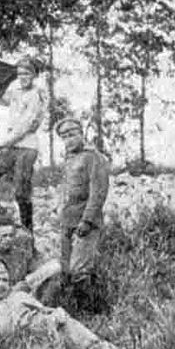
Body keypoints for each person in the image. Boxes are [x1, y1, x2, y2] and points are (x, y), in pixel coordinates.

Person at [0, 257, 132, 349]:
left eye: (5, 280)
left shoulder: (18, 296)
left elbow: (45, 310)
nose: (1, 285)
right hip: (24, 346)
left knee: (72, 329)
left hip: (49, 330)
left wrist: (56, 314)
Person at [0, 57, 46, 231]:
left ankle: (27, 230)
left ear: (34, 75)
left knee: (21, 191)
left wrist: (1, 144)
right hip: (13, 146)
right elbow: (0, 98)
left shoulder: (37, 95)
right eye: (19, 74)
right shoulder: (16, 92)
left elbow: (24, 127)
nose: (22, 77)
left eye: (26, 73)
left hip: (26, 147)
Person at [54, 117, 110, 279]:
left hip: (85, 222)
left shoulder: (93, 157)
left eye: (72, 135)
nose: (68, 140)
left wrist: (87, 220)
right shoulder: (69, 160)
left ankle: (87, 296)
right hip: (67, 221)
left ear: (81, 134)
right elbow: (65, 190)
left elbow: (98, 192)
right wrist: (59, 212)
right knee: (65, 270)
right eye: (64, 137)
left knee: (80, 270)